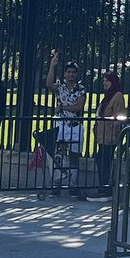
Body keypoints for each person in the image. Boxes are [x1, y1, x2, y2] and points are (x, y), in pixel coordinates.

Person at [46, 50, 87, 198]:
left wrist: (62, 107)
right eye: (68, 72)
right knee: (58, 153)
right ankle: (57, 183)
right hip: (62, 124)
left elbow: (79, 106)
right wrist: (52, 65)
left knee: (75, 155)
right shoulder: (60, 87)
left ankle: (73, 185)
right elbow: (49, 84)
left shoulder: (81, 88)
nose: (70, 74)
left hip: (75, 125)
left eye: (73, 72)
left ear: (76, 74)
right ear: (64, 74)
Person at [87, 71, 126, 201]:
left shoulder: (117, 96)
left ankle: (106, 189)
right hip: (102, 135)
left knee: (105, 161)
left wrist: (114, 131)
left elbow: (119, 115)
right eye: (104, 81)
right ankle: (102, 187)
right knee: (101, 160)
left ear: (113, 82)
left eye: (107, 81)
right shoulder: (108, 96)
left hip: (109, 136)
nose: (104, 83)